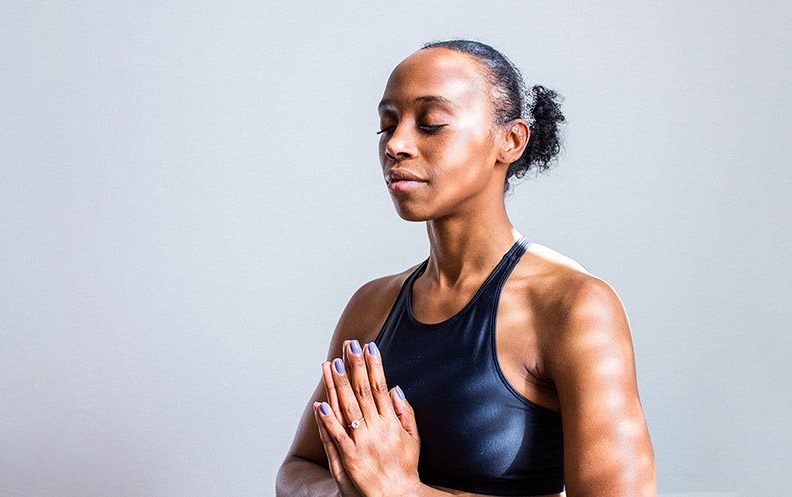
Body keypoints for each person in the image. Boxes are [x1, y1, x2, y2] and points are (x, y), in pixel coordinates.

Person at [276, 40, 656, 497]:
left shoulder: (573, 306)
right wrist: (348, 491)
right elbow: (298, 468)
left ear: (510, 141)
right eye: (387, 125)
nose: (397, 144)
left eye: (431, 124)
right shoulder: (370, 307)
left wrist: (403, 492)